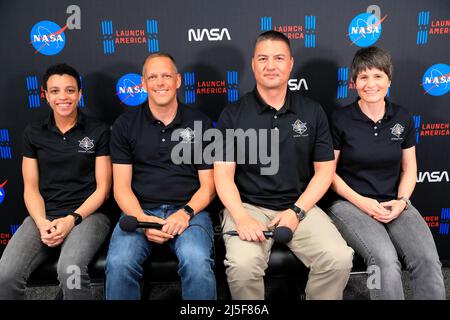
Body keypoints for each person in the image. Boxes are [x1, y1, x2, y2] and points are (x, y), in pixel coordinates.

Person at [214, 30, 354, 300]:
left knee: (338, 258)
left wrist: (297, 211)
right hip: (248, 206)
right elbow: (222, 176)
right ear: (253, 64)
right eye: (263, 58)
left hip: (300, 205)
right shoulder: (233, 114)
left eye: (278, 58)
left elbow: (325, 171)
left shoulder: (312, 111)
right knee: (242, 267)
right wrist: (241, 217)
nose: (270, 65)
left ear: (290, 64)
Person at [326, 46, 446, 300]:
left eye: (378, 76)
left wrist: (402, 201)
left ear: (389, 80)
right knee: (384, 259)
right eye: (363, 77)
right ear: (353, 83)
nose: (371, 84)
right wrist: (363, 203)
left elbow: (409, 167)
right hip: (350, 204)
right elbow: (329, 173)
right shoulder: (340, 119)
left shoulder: (402, 117)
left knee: (427, 259)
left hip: (394, 202)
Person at [105, 52, 216, 300]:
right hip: (140, 211)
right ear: (143, 83)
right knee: (120, 263)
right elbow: (120, 188)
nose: (160, 82)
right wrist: (143, 220)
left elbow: (209, 185)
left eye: (166, 75)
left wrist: (185, 212)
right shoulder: (125, 125)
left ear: (178, 80)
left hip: (190, 212)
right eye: (152, 76)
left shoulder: (201, 122)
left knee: (197, 262)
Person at [0, 63, 111, 300]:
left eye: (70, 90)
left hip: (88, 216)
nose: (63, 97)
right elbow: (30, 189)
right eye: (55, 91)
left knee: (69, 271)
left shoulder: (98, 131)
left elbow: (103, 190)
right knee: (5, 275)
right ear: (45, 96)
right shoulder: (33, 132)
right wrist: (41, 223)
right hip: (44, 216)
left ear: (80, 94)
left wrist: (71, 220)